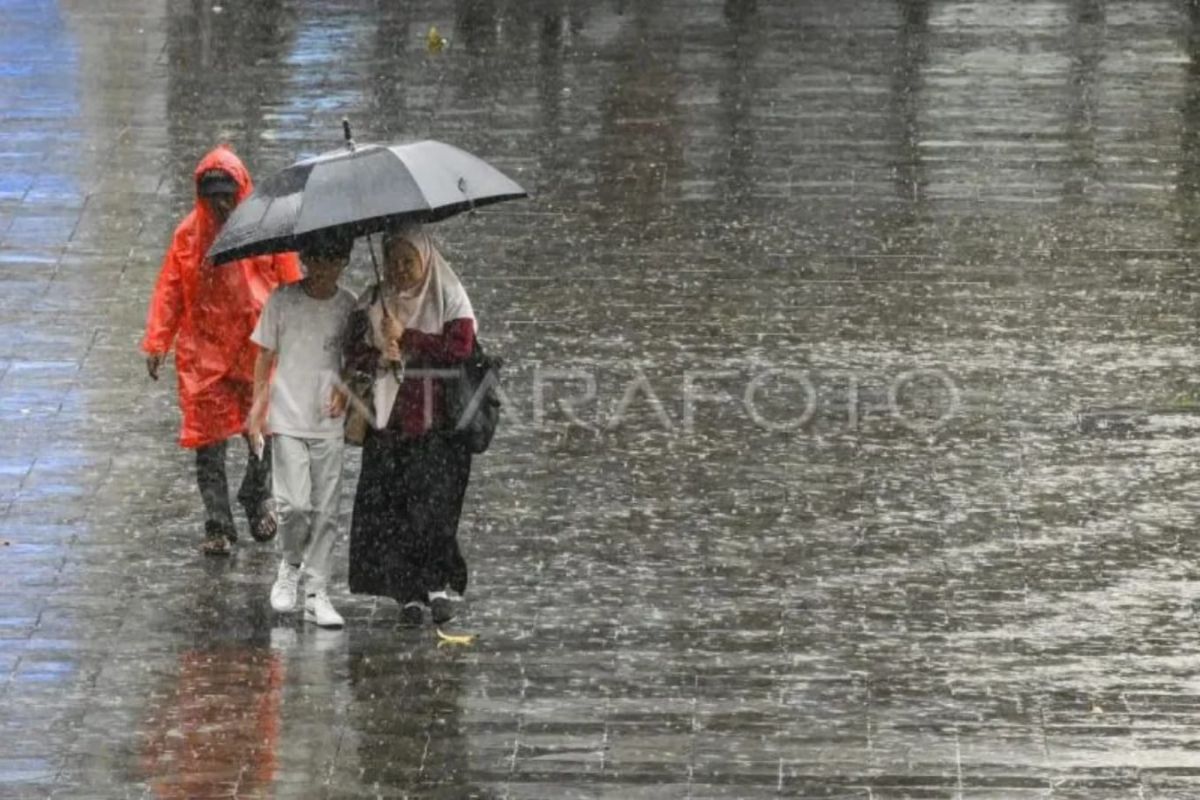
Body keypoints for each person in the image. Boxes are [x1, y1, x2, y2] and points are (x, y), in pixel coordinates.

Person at [142, 145, 302, 556]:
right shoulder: (189, 236)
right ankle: (218, 523)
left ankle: (256, 493)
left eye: (227, 194)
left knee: (263, 427)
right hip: (206, 352)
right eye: (213, 196)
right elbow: (171, 290)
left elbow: (289, 280)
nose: (221, 204)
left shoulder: (265, 230)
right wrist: (158, 340)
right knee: (208, 441)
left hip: (255, 347)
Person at [343, 225, 477, 626]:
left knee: (434, 506)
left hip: (440, 422)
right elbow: (353, 352)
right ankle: (407, 593)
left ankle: (436, 584)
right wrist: (381, 353)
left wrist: (411, 337)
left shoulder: (448, 294)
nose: (401, 270)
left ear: (426, 258)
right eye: (393, 262)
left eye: (409, 261)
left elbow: (461, 348)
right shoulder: (373, 301)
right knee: (393, 509)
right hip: (390, 422)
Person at [249, 230, 357, 628]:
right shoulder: (282, 301)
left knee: (325, 511)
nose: (325, 270)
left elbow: (356, 358)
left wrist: (345, 387)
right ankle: (290, 563)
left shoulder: (349, 307)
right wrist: (257, 409)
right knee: (294, 506)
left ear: (344, 262)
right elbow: (264, 354)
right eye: (318, 260)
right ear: (305, 260)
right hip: (288, 418)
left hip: (327, 422)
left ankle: (317, 591)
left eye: (335, 261)